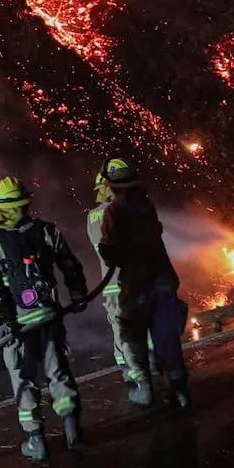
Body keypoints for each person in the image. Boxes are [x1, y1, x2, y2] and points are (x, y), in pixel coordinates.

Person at [0, 175, 90, 461]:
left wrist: (0, 323)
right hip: (50, 317)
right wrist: (78, 295)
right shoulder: (46, 231)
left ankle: (36, 441)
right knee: (58, 371)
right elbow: (70, 265)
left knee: (23, 378)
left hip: (18, 325)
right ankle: (72, 429)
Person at [86, 158, 191, 409]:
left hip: (130, 286)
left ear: (107, 186)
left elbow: (107, 250)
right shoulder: (146, 206)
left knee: (129, 336)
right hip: (162, 280)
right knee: (165, 336)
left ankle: (142, 386)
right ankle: (179, 390)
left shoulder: (104, 213)